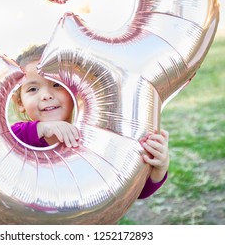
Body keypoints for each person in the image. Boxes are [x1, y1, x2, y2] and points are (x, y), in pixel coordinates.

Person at [11, 44, 169, 199]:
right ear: (20, 103)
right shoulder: (20, 136)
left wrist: (158, 170)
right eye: (32, 89)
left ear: (75, 91)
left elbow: (128, 192)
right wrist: (41, 129)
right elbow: (9, 136)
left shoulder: (92, 138)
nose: (46, 95)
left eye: (57, 85)